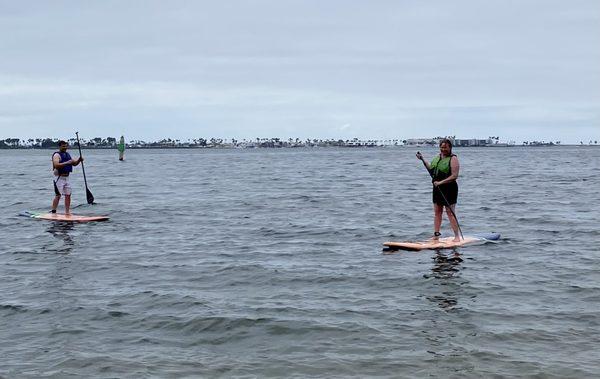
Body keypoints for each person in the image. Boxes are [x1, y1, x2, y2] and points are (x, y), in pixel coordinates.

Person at [416, 138, 461, 241]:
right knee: (437, 212)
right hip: (437, 188)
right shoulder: (437, 157)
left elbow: (455, 176)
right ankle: (436, 235)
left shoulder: (453, 159)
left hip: (449, 188)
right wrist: (422, 159)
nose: (443, 149)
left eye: (445, 147)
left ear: (450, 147)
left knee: (450, 212)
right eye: (441, 147)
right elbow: (431, 170)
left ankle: (457, 237)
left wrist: (440, 182)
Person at [51, 140, 83, 214]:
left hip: (67, 178)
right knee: (58, 195)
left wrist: (79, 160)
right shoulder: (56, 155)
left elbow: (74, 164)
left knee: (68, 195)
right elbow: (56, 165)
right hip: (59, 178)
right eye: (63, 146)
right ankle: (53, 211)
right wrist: (67, 162)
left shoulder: (67, 154)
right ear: (59, 147)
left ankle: (67, 212)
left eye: (66, 146)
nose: (65, 147)